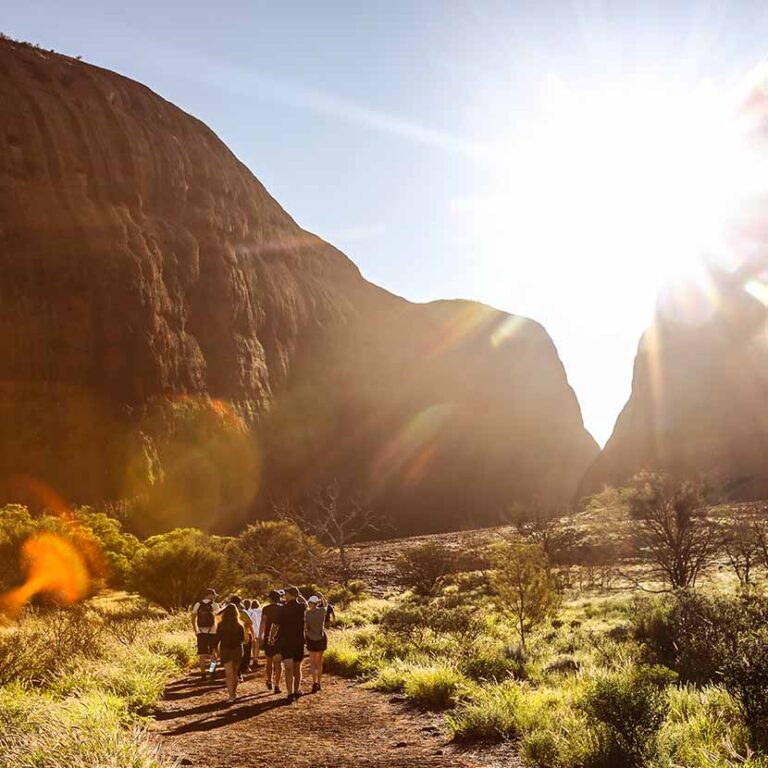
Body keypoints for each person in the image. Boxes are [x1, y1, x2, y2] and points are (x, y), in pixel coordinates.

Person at [270, 585, 307, 702]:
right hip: (299, 641)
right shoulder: (302, 608)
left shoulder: (282, 609)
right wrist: (299, 596)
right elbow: (306, 604)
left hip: (285, 641)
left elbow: (275, 625)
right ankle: (297, 690)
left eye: (286, 594)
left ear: (290, 595)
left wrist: (271, 637)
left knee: (288, 668)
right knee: (297, 668)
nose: (285, 596)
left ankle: (290, 693)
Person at [216, 604, 245, 703]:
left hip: (225, 650)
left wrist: (214, 651)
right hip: (237, 650)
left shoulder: (220, 625)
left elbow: (217, 639)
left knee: (229, 674)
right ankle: (234, 693)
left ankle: (231, 695)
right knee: (235, 673)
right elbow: (242, 639)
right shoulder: (239, 625)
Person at [191, 588, 220, 680]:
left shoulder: (198, 604)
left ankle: (203, 674)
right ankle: (212, 672)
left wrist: (196, 630)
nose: (214, 597)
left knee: (202, 655)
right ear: (210, 595)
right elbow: (219, 619)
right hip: (213, 632)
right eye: (214, 595)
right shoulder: (214, 605)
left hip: (201, 632)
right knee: (213, 654)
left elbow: (193, 619)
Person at [260, 590, 284, 693]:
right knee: (278, 662)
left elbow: (263, 621)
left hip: (268, 636)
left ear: (270, 599)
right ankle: (277, 684)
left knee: (269, 661)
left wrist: (260, 635)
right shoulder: (282, 609)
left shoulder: (266, 609)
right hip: (279, 637)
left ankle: (269, 680)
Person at [227, 595, 255, 681]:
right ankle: (239, 673)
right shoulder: (243, 613)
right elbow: (250, 625)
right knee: (243, 656)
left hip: (229, 638)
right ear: (239, 603)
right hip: (244, 638)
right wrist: (253, 636)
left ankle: (210, 672)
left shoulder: (226, 614)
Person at [305, 594, 328, 692]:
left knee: (313, 663)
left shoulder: (307, 613)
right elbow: (326, 604)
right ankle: (319, 682)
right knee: (319, 663)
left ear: (311, 603)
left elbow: (305, 626)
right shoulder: (322, 611)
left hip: (310, 638)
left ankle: (314, 682)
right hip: (321, 638)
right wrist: (322, 596)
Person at [247, 599, 263, 667]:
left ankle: (211, 670)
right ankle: (255, 659)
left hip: (248, 632)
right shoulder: (261, 611)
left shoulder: (249, 612)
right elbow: (257, 624)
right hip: (256, 630)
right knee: (256, 646)